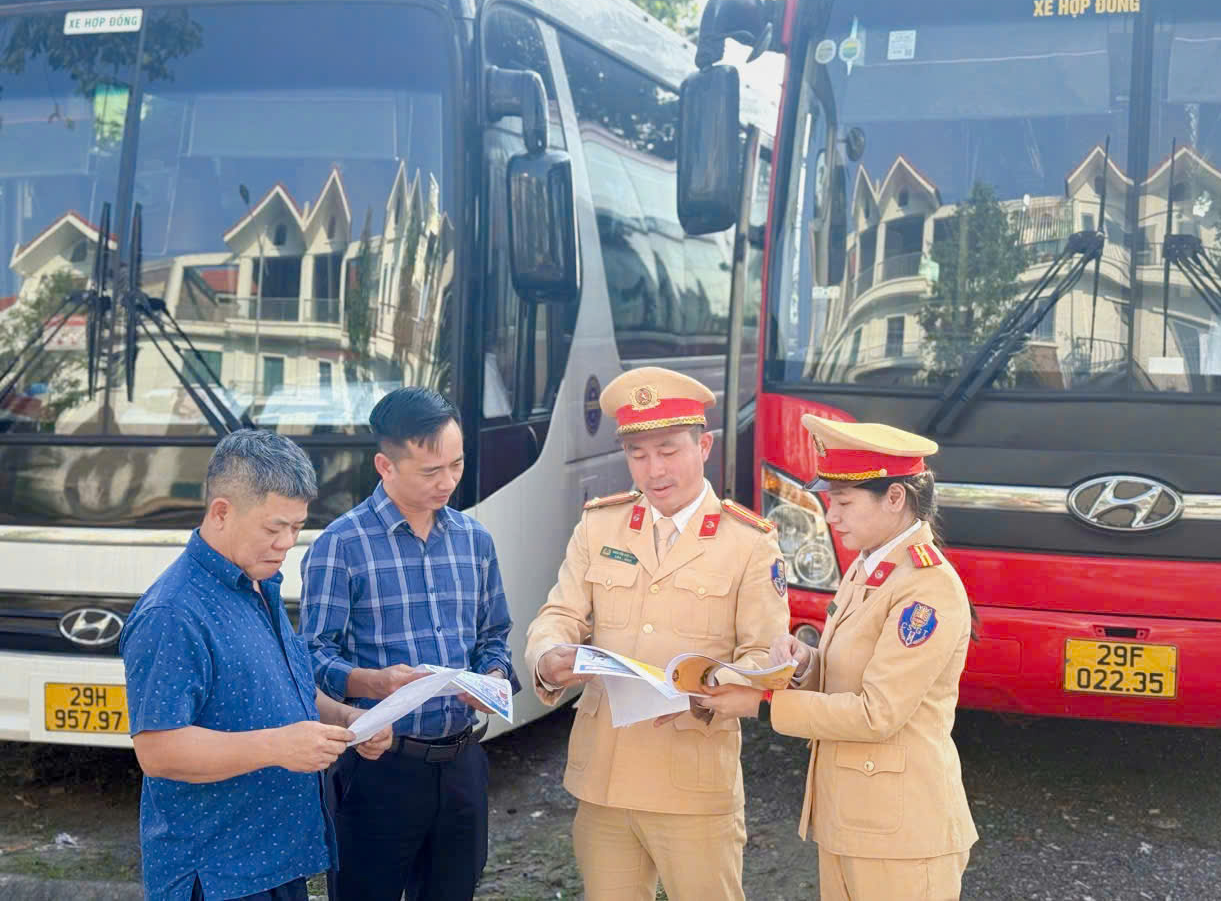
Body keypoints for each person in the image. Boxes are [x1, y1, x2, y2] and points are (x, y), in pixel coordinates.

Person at [525, 366, 790, 901]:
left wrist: (708, 687)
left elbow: (766, 655)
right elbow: (559, 614)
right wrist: (550, 654)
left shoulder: (749, 542)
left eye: (668, 450)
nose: (654, 469)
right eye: (638, 453)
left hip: (692, 780)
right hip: (605, 777)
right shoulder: (600, 526)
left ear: (704, 445)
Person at [701, 416, 979, 901]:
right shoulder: (870, 566)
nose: (831, 516)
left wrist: (762, 701)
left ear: (896, 498)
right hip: (856, 821)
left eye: (844, 502)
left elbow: (878, 713)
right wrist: (806, 660)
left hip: (902, 835)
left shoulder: (927, 585)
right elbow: (848, 670)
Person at [120, 429, 393, 901]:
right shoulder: (172, 614)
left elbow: (288, 686)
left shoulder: (255, 582)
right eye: (274, 528)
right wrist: (278, 747)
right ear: (221, 512)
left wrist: (348, 718)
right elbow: (159, 751)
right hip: (218, 874)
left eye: (296, 527)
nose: (287, 543)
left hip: (275, 861)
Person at [299, 387, 519, 901]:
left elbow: (494, 636)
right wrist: (373, 682)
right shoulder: (341, 546)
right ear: (385, 465)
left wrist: (490, 679)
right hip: (378, 769)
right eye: (430, 471)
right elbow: (309, 657)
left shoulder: (473, 540)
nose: (447, 483)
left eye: (457, 466)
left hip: (463, 764)